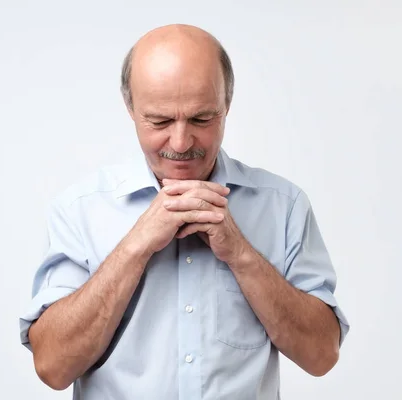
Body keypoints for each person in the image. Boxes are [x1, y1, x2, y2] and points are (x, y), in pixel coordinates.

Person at [19, 23, 350, 399]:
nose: (180, 142)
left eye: (201, 119)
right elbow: (52, 367)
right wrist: (136, 246)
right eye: (159, 121)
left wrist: (241, 255)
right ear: (131, 108)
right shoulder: (79, 210)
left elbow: (322, 356)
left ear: (227, 104)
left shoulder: (283, 206)